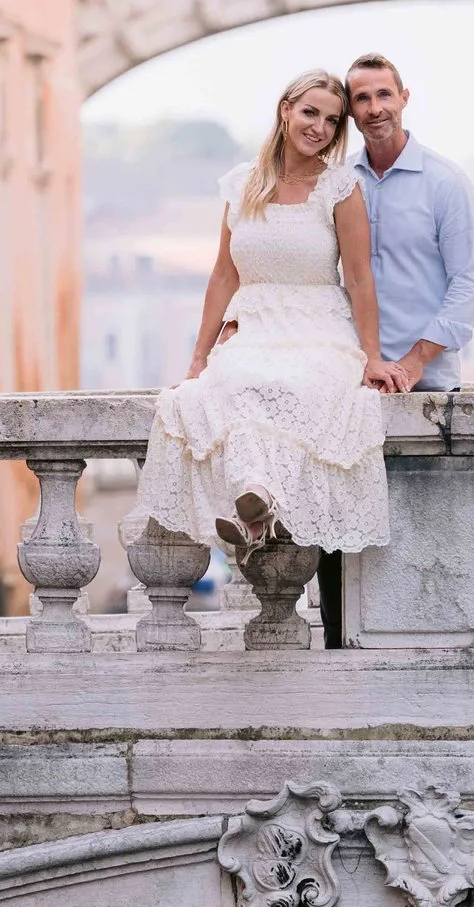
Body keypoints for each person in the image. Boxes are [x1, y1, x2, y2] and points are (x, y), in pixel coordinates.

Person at [134, 68, 392, 563]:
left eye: (332, 121)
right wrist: (199, 357)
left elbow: (360, 279)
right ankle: (255, 502)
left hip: (320, 328)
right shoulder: (241, 184)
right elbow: (223, 276)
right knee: (228, 386)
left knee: (298, 386)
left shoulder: (340, 188)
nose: (319, 128)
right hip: (253, 326)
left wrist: (373, 357)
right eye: (310, 113)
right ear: (286, 111)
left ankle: (254, 510)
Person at [342, 52, 474, 391]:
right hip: (350, 380)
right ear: (350, 110)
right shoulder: (339, 180)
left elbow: (469, 283)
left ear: (404, 98)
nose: (375, 109)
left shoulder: (447, 183)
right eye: (362, 98)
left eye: (384, 95)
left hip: (427, 383)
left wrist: (415, 360)